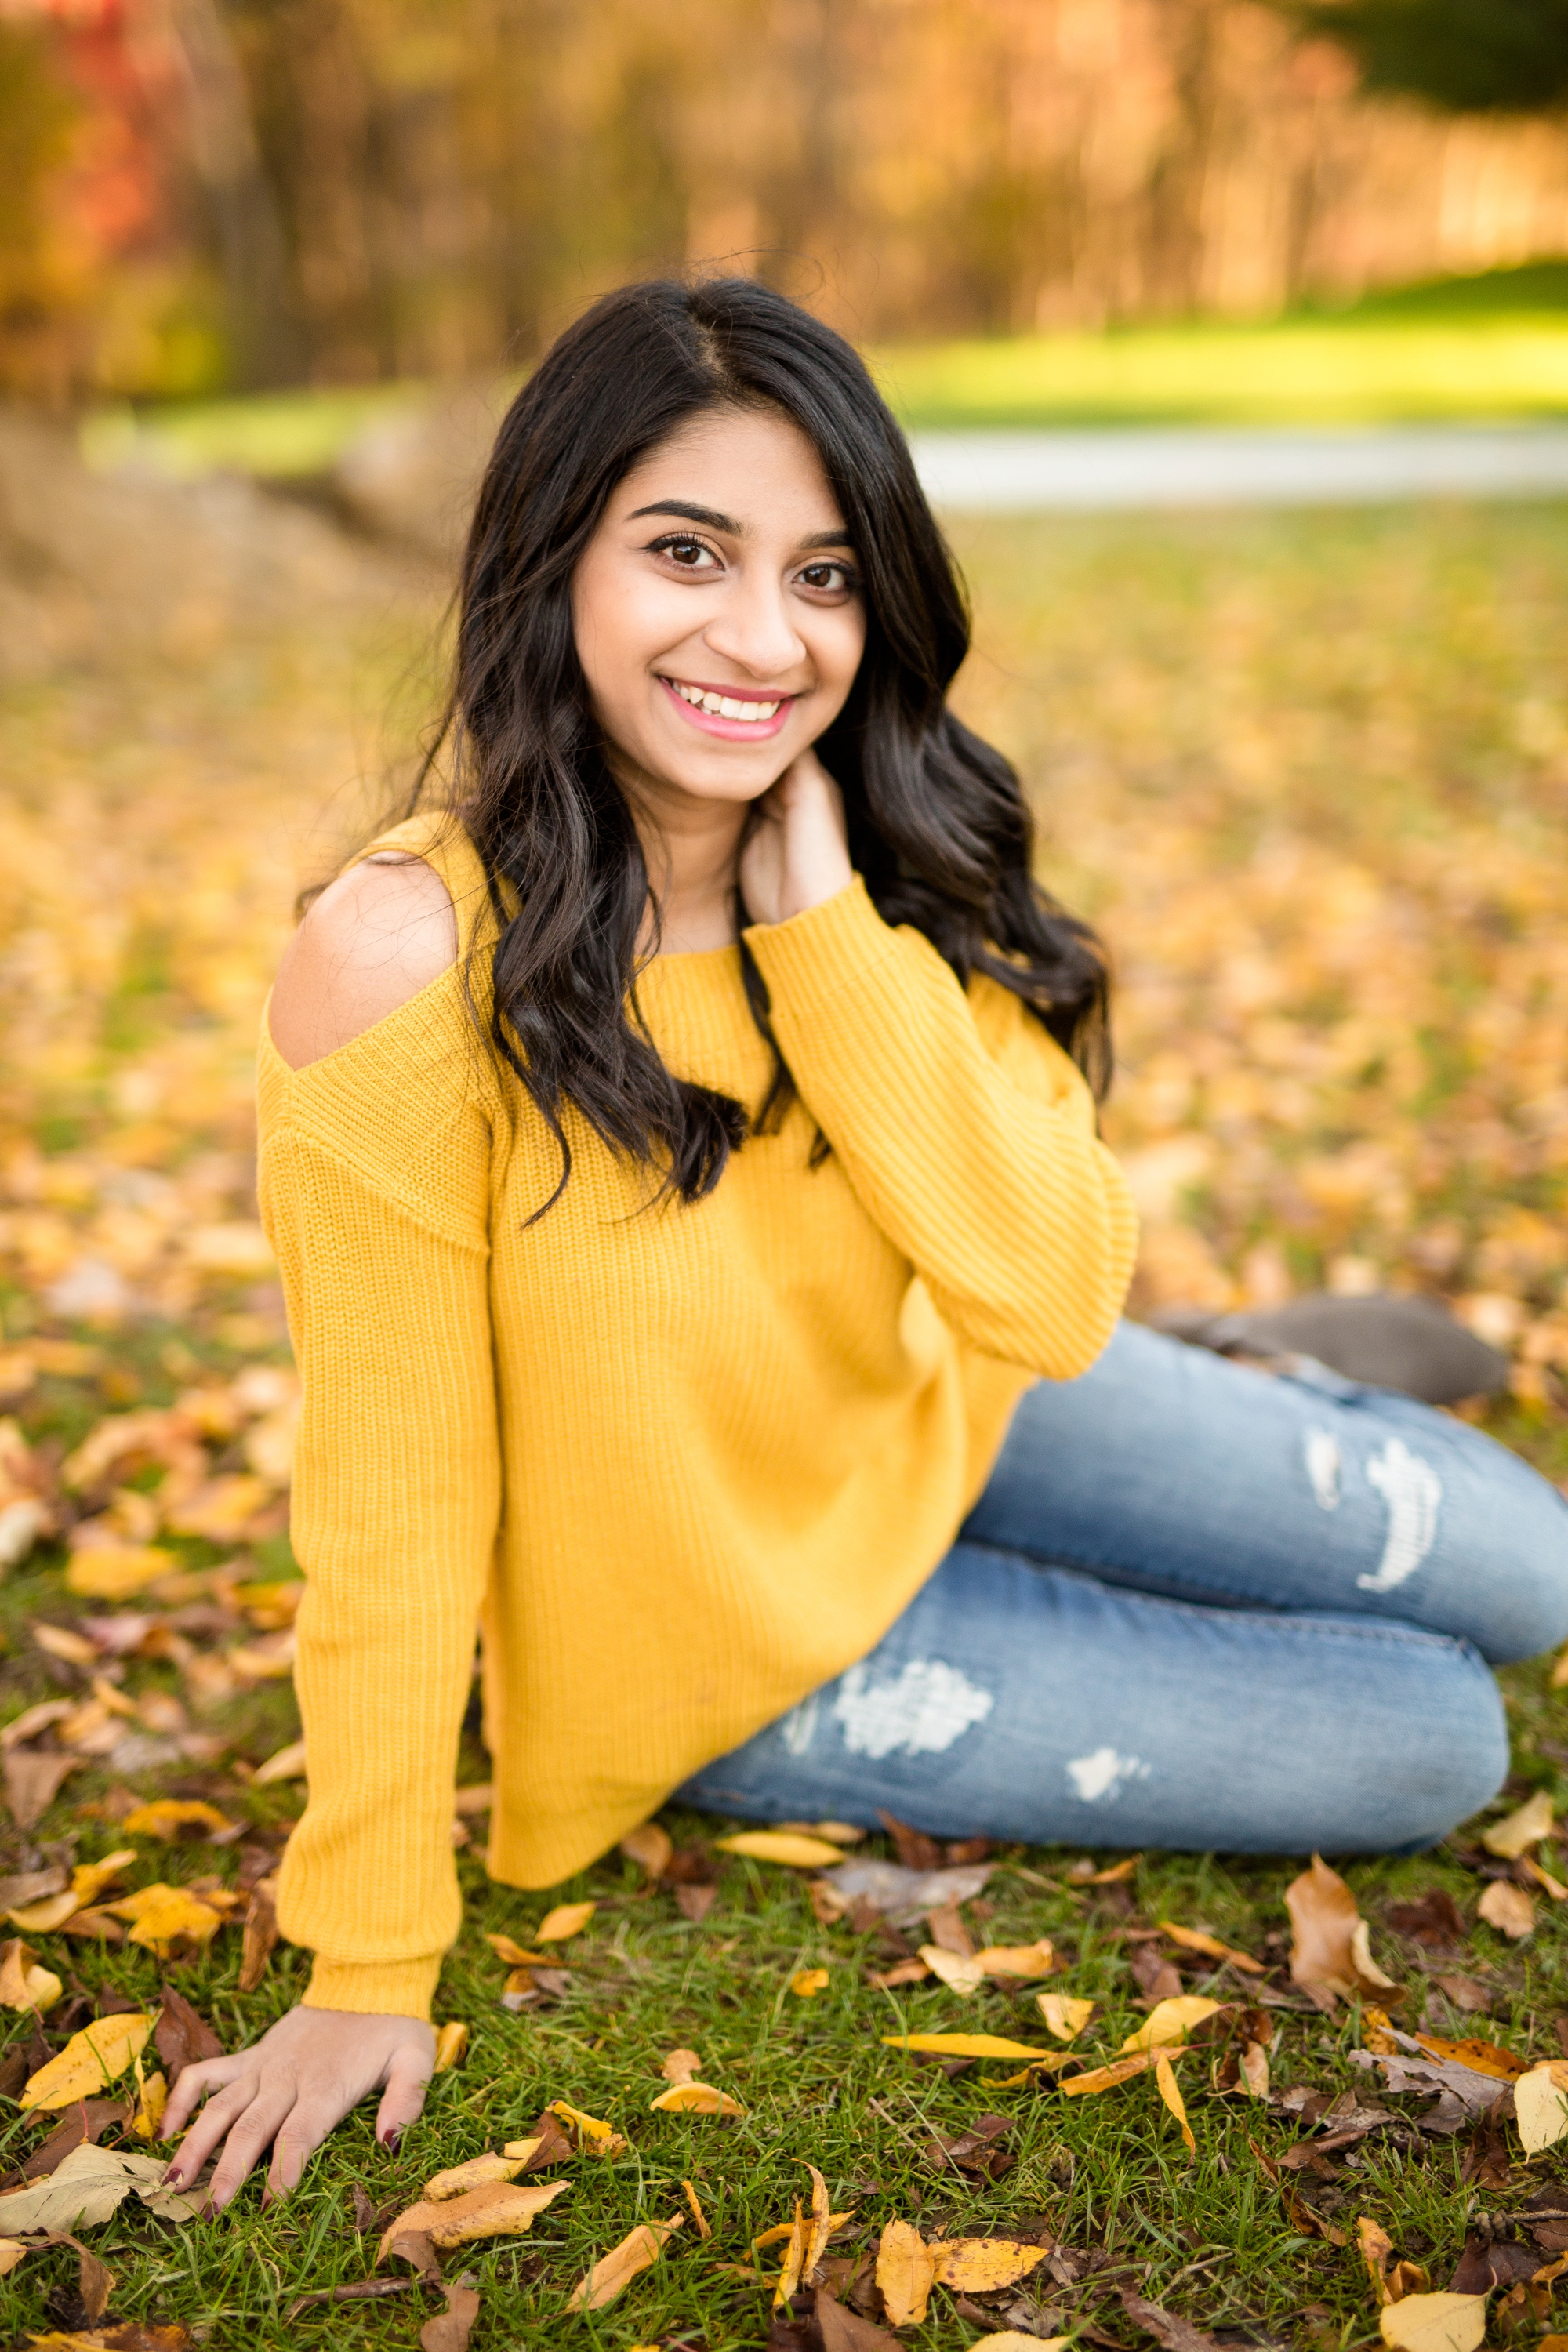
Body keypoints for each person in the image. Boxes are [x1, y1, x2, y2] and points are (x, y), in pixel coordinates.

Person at [162, 277, 1568, 2209]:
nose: (764, 637)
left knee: (1533, 1560)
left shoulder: (877, 849)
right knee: (1426, 1742)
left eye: (824, 577)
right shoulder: (402, 971)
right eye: (687, 553)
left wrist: (821, 923)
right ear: (548, 555)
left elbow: (1051, 1296)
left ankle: (1248, 1373)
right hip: (738, 1630)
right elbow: (391, 1488)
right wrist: (365, 1957)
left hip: (953, 1394)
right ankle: (1243, 1399)